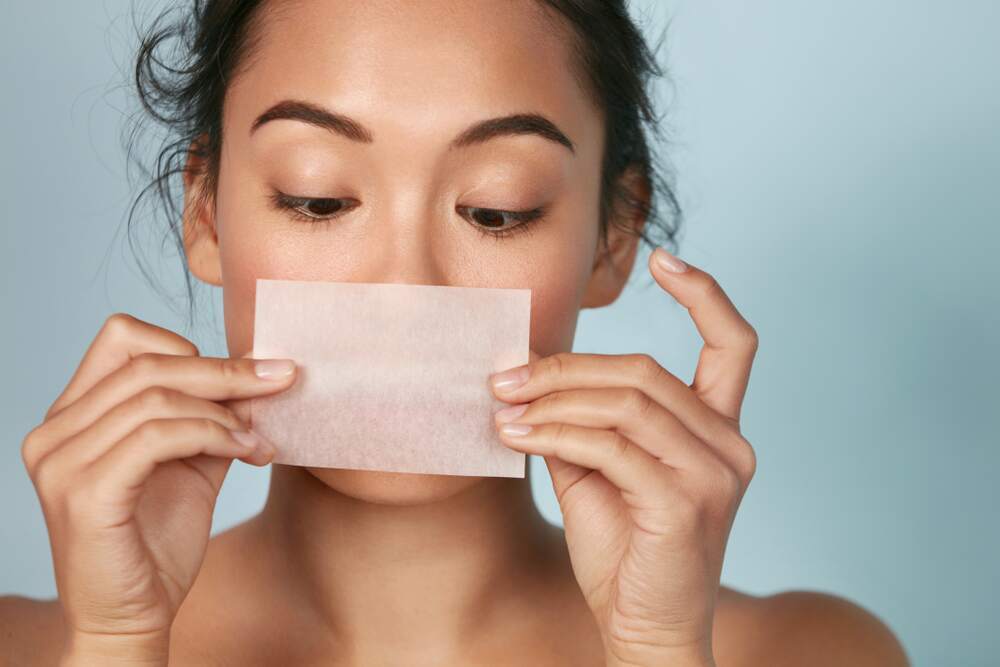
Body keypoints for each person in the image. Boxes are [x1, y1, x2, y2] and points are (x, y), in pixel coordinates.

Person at [2, 1, 910, 665]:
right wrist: (118, 644)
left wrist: (660, 648)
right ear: (205, 213)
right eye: (316, 197)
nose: (406, 284)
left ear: (613, 234)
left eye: (497, 209)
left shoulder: (810, 649)